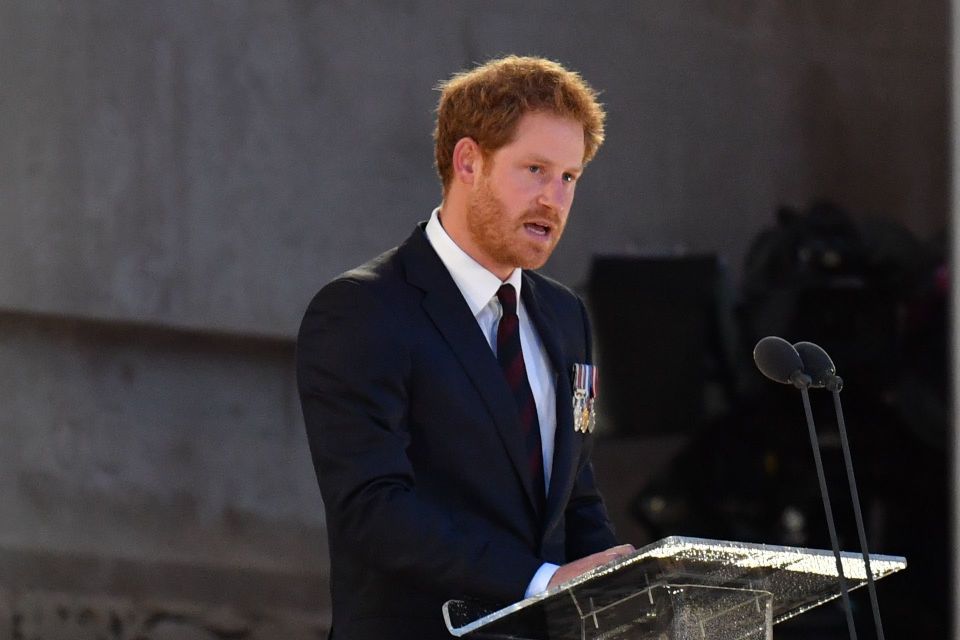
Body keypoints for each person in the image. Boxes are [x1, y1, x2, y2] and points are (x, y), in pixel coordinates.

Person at [296, 55, 633, 640]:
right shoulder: (361, 310)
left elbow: (575, 496)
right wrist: (539, 581)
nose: (554, 199)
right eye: (534, 169)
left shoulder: (565, 316)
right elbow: (373, 512)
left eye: (569, 178)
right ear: (469, 161)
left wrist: (623, 597)